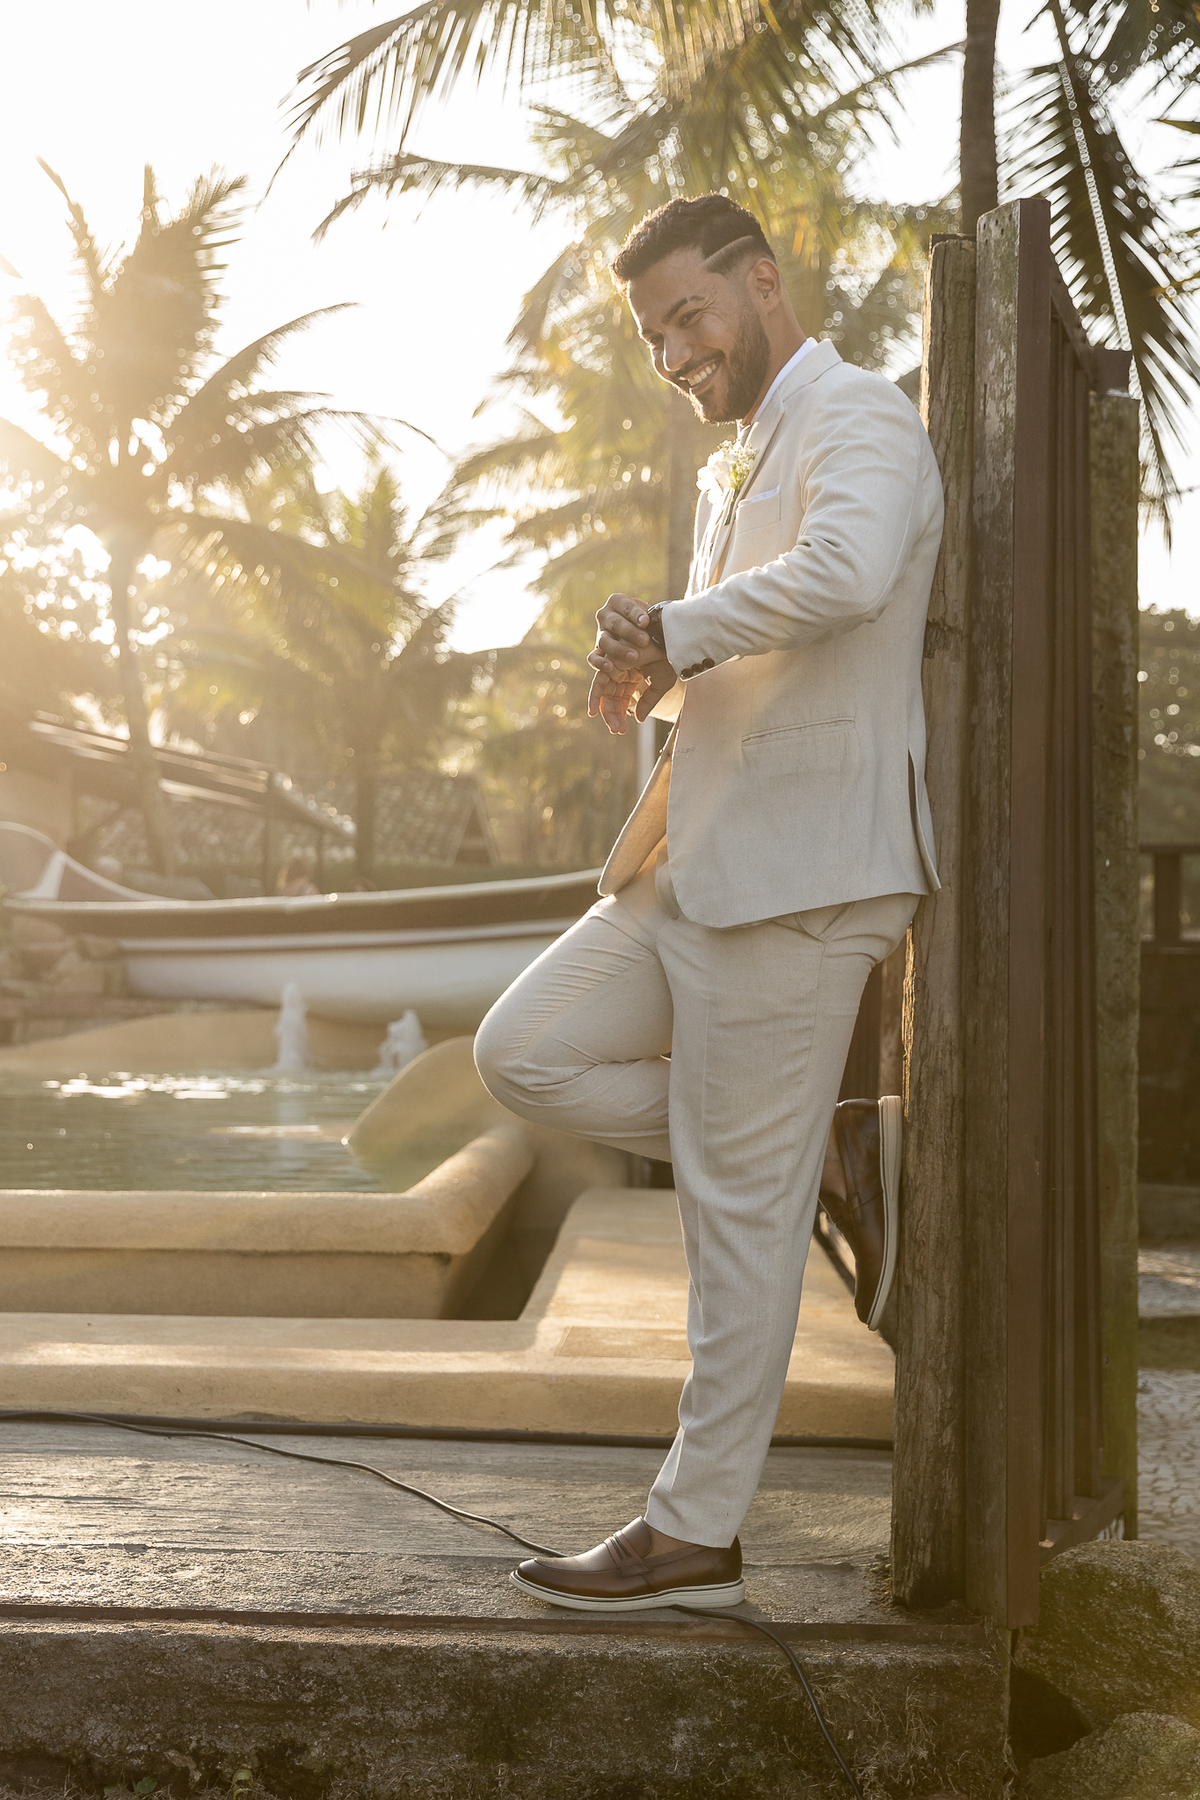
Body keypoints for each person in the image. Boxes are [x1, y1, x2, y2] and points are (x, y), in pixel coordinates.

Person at [474, 193, 943, 1613]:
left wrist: (679, 627)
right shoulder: (727, 465)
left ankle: (696, 1532)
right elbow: (750, 646)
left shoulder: (859, 414)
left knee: (735, 1218)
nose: (676, 350)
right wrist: (655, 670)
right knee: (522, 1052)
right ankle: (812, 1137)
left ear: (763, 279)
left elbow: (852, 575)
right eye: (653, 334)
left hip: (804, 877)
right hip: (694, 860)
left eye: (691, 314)